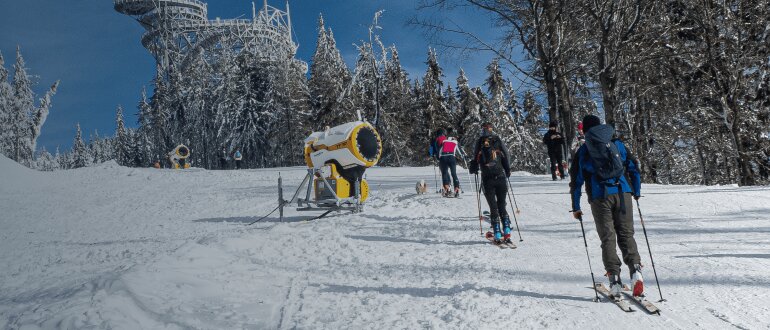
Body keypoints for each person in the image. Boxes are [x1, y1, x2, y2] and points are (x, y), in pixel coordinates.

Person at [569, 114, 644, 298]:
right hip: (623, 193)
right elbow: (633, 166)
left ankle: (615, 279)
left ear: (584, 130)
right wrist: (635, 190)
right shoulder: (616, 143)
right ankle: (635, 271)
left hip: (600, 196)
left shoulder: (585, 150)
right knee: (626, 234)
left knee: (608, 238)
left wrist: (576, 206)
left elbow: (576, 180)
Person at [469, 122, 513, 244]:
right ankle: (507, 230)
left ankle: (497, 233)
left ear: (482, 130)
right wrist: (507, 169)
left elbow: (475, 159)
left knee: (493, 208)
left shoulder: (480, 141)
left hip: (487, 179)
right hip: (501, 178)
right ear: (491, 129)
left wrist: (474, 167)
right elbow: (506, 154)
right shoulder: (497, 139)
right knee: (502, 206)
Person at [436, 128, 463, 197]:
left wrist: (437, 158)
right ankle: (457, 189)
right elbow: (460, 150)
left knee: (444, 173)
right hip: (452, 157)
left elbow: (437, 150)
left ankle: (446, 189)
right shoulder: (452, 140)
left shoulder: (438, 140)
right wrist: (463, 157)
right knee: (454, 174)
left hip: (443, 158)